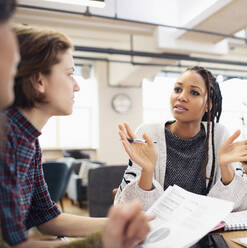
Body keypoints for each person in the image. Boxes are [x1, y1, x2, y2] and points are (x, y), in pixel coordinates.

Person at [0, 10, 151, 247]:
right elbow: (12, 245)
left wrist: (119, 226)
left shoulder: (28, 140)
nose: (77, 86)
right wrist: (105, 241)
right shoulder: (7, 139)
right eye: (70, 74)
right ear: (39, 81)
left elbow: (47, 218)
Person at [114, 66, 247, 211]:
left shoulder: (219, 136)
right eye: (177, 89)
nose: (181, 97)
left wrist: (226, 168)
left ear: (208, 105)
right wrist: (147, 172)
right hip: (160, 232)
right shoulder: (148, 134)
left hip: (205, 232)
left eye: (194, 93)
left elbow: (242, 204)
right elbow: (125, 206)